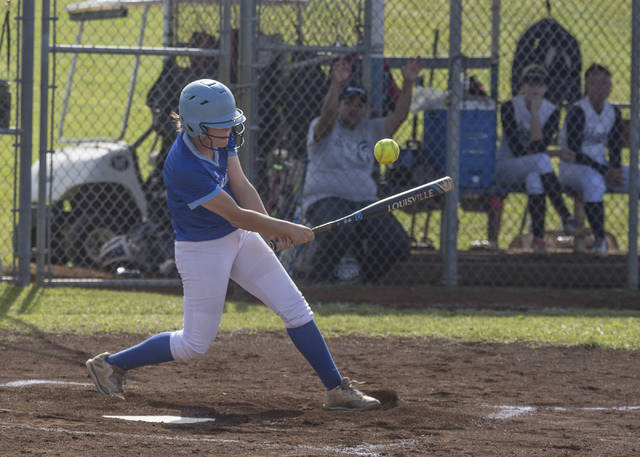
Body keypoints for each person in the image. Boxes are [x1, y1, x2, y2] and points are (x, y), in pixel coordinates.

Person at [86, 79, 381, 411]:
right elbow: (236, 214)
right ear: (197, 126)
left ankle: (336, 389)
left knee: (295, 308)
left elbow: (241, 186)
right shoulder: (183, 166)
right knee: (194, 344)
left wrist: (273, 228)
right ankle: (111, 364)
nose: (228, 132)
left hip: (238, 238)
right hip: (202, 250)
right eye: (220, 126)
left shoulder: (218, 139)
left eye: (230, 124)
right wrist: (284, 228)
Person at [301, 56, 423, 283]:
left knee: (397, 243)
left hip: (364, 201)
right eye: (348, 103)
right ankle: (319, 282)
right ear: (339, 104)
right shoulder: (325, 126)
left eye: (359, 105)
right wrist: (336, 84)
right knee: (341, 228)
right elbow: (327, 117)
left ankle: (365, 280)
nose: (354, 109)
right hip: (325, 199)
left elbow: (399, 117)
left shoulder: (370, 129)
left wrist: (408, 84)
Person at [495, 64, 578, 252]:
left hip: (532, 169)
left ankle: (538, 240)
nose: (534, 88)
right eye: (530, 83)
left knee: (536, 180)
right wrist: (555, 153)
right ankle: (565, 215)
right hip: (506, 168)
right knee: (542, 161)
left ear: (545, 88)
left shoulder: (552, 112)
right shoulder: (509, 107)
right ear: (523, 86)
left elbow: (539, 146)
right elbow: (517, 150)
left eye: (539, 84)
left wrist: (534, 113)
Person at [558, 63, 634, 255]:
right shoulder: (578, 111)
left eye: (604, 83)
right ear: (586, 86)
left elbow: (615, 146)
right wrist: (605, 171)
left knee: (636, 177)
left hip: (602, 167)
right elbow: (575, 151)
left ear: (610, 87)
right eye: (594, 83)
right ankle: (600, 240)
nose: (599, 88)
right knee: (594, 182)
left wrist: (615, 169)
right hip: (573, 167)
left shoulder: (613, 112)